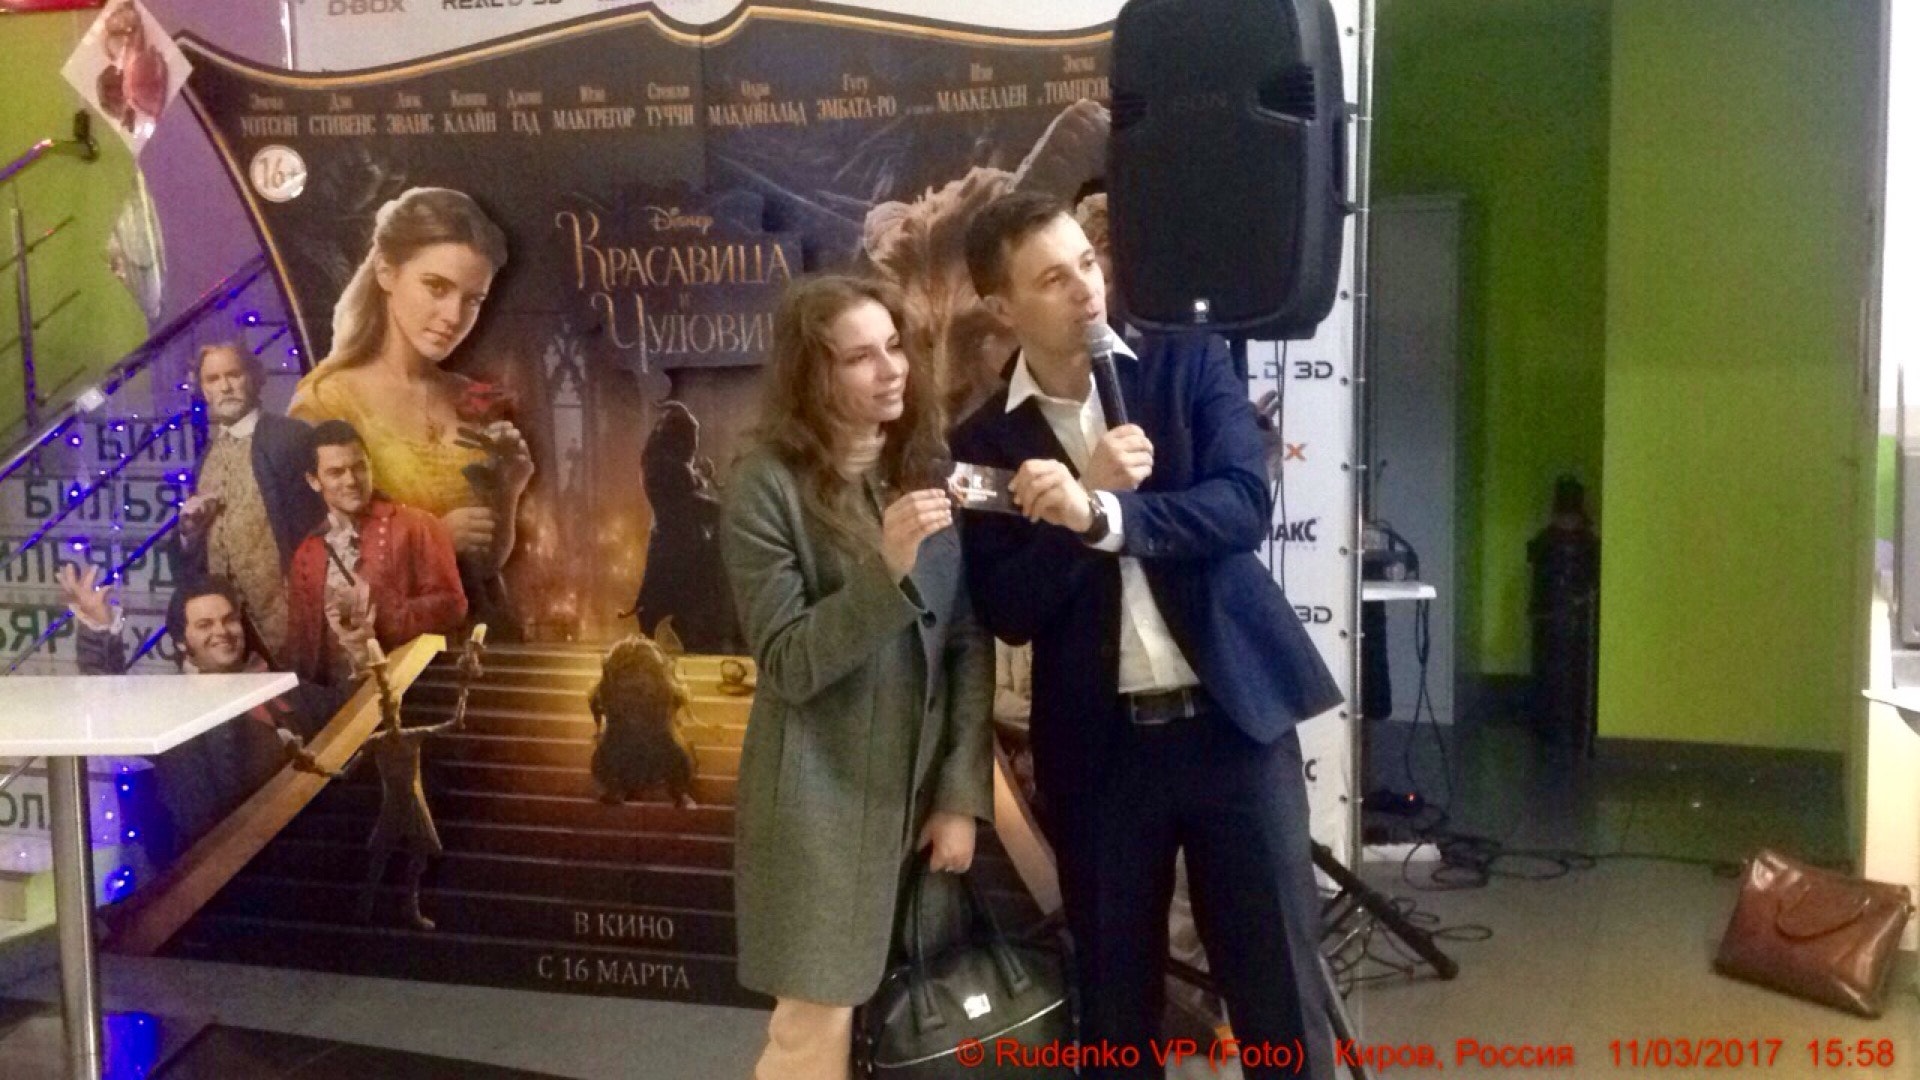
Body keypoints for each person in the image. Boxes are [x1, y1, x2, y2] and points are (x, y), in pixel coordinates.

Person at [950, 192, 1344, 1080]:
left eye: (1087, 264)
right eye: (1053, 279)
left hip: (1232, 727)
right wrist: (1075, 514)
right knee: (1117, 1011)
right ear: (1001, 306)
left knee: (1279, 995)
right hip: (1103, 757)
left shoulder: (1186, 361)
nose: (1086, 289)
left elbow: (1242, 505)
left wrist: (1105, 513)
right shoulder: (983, 439)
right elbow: (1007, 605)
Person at [720, 274, 993, 1080]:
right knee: (815, 1034)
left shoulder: (926, 469)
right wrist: (887, 569)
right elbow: (790, 662)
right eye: (860, 356)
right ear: (813, 374)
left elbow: (966, 643)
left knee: (912, 1029)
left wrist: (959, 796)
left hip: (920, 791)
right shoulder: (764, 485)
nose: (891, 369)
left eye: (895, 346)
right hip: (820, 806)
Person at [288, 187, 532, 630]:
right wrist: (434, 541)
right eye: (436, 287)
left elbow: (486, 564)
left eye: (472, 300)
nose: (453, 316)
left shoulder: (471, 400)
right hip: (389, 647)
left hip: (485, 637)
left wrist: (509, 489)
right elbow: (313, 565)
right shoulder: (327, 401)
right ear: (386, 270)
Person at [57, 567, 347, 862]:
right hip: (218, 873)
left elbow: (351, 712)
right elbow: (108, 704)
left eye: (229, 620)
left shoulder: (284, 689)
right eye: (205, 625)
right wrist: (98, 630)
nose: (221, 631)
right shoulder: (172, 707)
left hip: (310, 855)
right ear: (182, 642)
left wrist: (360, 647)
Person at [283, 420, 467, 686]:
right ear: (314, 481)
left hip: (411, 685)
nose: (351, 480)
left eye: (359, 467)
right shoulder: (307, 553)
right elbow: (300, 646)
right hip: (335, 695)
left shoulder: (417, 526)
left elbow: (453, 606)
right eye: (336, 472)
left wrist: (380, 613)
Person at [175, 341, 325, 659]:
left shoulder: (291, 437)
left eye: (234, 374)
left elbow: (321, 530)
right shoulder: (206, 457)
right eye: (213, 379)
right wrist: (190, 532)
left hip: (295, 625)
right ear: (203, 390)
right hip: (233, 637)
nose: (225, 387)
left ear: (254, 378)